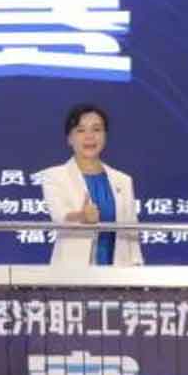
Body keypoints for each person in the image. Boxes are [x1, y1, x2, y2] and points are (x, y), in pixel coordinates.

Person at [37, 103, 143, 266]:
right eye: (81, 130)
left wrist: (137, 267)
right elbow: (60, 217)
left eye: (96, 129)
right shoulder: (55, 176)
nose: (89, 136)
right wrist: (82, 217)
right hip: (74, 272)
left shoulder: (123, 180)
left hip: (118, 272)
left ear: (105, 135)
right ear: (69, 139)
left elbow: (132, 232)